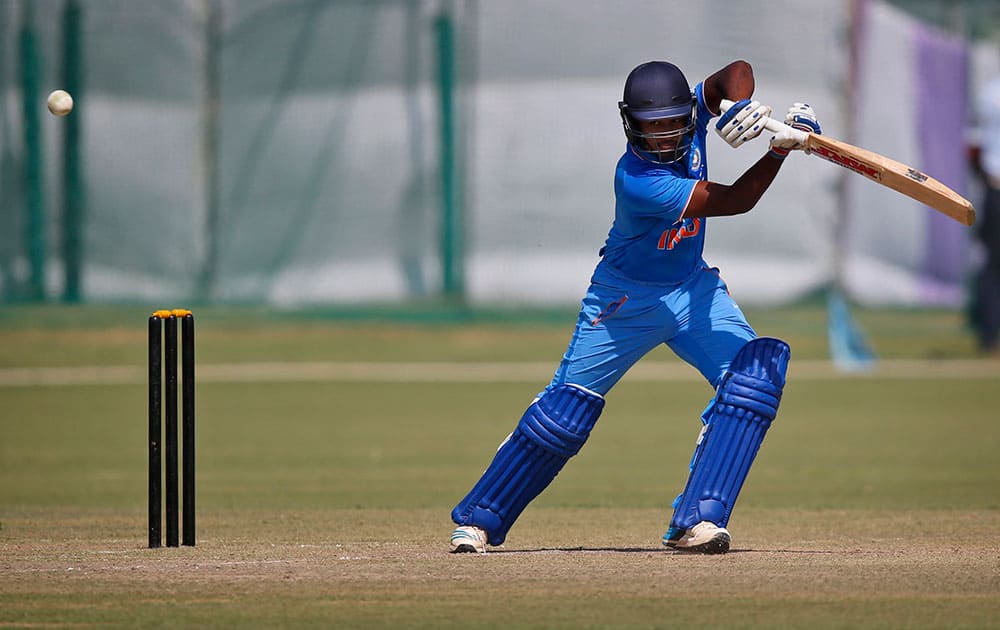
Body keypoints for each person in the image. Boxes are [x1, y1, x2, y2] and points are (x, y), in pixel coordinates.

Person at [449, 59, 821, 555]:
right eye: (651, 128)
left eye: (673, 125)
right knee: (564, 415)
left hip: (694, 290)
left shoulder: (691, 113)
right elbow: (736, 200)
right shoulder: (638, 179)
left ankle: (699, 519)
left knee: (756, 373)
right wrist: (778, 151)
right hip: (624, 299)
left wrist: (742, 106)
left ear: (689, 114)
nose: (665, 138)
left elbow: (736, 70)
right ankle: (480, 517)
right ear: (631, 125)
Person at [968, 75, 1000, 355]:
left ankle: (989, 335)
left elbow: (973, 148)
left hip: (995, 188)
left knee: (991, 265)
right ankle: (989, 334)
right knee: (992, 265)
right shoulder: (990, 94)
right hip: (994, 187)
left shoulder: (990, 93)